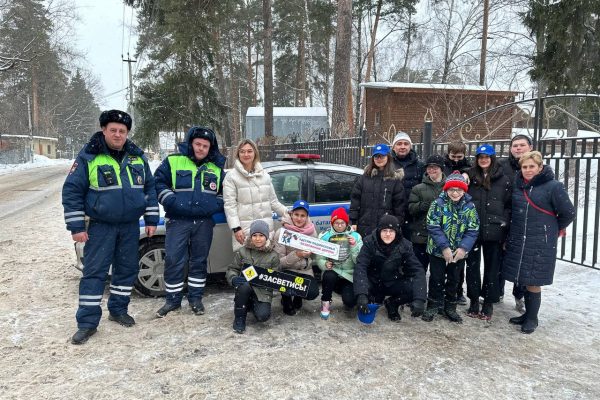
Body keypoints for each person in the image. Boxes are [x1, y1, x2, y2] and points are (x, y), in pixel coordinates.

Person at [62, 110, 159, 345]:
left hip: (129, 226)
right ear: (104, 130)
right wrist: (76, 226)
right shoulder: (89, 157)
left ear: (127, 133)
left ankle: (118, 310)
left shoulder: (137, 158)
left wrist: (152, 219)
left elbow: (150, 188)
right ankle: (87, 323)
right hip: (100, 226)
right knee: (94, 273)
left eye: (122, 131)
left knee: (126, 270)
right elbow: (72, 191)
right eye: (113, 130)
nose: (118, 134)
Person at [153, 126, 226, 318]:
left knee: (199, 261)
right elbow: (158, 183)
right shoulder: (173, 161)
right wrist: (170, 200)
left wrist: (213, 206)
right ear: (191, 144)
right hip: (177, 221)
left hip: (204, 223)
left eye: (205, 145)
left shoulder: (216, 168)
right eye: (198, 144)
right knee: (173, 260)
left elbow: (223, 193)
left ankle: (195, 299)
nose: (201, 148)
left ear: (210, 148)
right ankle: (172, 301)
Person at [502, 151, 575, 334]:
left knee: (534, 279)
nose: (527, 170)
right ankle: (526, 314)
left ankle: (532, 318)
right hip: (520, 237)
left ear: (540, 167)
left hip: (540, 240)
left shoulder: (553, 186)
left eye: (532, 166)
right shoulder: (518, 186)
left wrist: (551, 228)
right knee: (524, 277)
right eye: (524, 167)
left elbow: (568, 212)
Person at [422, 172, 479, 323]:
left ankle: (450, 307)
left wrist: (463, 248)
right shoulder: (437, 204)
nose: (455, 193)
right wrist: (444, 247)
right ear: (446, 190)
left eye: (458, 190)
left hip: (459, 253)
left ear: (464, 191)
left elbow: (473, 229)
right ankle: (433, 305)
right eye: (451, 190)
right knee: (436, 278)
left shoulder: (469, 206)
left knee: (454, 280)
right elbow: (433, 225)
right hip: (437, 251)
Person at [464, 144, 512, 321]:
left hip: (494, 230)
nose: (484, 160)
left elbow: (508, 205)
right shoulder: (470, 176)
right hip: (473, 230)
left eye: (487, 157)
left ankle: (489, 303)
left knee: (492, 269)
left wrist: (503, 223)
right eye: (480, 157)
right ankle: (474, 300)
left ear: (493, 158)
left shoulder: (503, 179)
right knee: (473, 267)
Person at [353, 215, 427, 322]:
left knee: (413, 288)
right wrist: (361, 294)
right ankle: (368, 302)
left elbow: (417, 270)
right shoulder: (369, 242)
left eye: (391, 231)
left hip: (392, 281)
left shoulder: (405, 245)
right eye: (384, 230)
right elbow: (361, 266)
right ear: (379, 231)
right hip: (373, 282)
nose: (388, 234)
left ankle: (392, 304)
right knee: (354, 295)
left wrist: (420, 299)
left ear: (397, 232)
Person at [223, 138, 288, 251]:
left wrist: (289, 214)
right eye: (242, 151)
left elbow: (273, 202)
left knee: (266, 265)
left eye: (249, 151)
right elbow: (230, 205)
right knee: (248, 266)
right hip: (245, 231)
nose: (246, 154)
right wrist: (236, 228)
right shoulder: (231, 177)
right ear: (238, 154)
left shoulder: (265, 176)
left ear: (255, 153)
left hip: (265, 231)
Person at [498, 134, 534, 312]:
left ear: (530, 147)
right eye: (515, 146)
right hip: (504, 215)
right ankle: (497, 292)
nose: (518, 148)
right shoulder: (503, 166)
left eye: (522, 145)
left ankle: (520, 295)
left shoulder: (535, 166)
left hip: (525, 220)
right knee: (499, 257)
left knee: (522, 260)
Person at [226, 220, 280, 334]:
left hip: (262, 291)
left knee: (263, 316)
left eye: (261, 235)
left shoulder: (273, 255)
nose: (258, 238)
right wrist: (233, 278)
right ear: (250, 236)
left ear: (266, 237)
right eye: (254, 235)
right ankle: (240, 317)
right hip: (245, 287)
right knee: (244, 286)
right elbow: (232, 269)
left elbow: (276, 277)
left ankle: (251, 304)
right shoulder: (243, 251)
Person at [314, 207, 363, 319]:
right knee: (329, 275)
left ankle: (344, 292)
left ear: (346, 223)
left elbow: (359, 261)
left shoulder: (356, 236)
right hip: (333, 271)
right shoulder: (324, 236)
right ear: (332, 223)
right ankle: (326, 302)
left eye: (342, 223)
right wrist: (325, 264)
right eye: (336, 223)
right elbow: (319, 258)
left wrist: (354, 246)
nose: (339, 225)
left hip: (349, 274)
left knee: (350, 303)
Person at [273, 200, 320, 315]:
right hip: (288, 271)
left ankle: (298, 296)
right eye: (296, 214)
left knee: (312, 293)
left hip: (306, 271)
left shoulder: (312, 232)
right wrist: (297, 255)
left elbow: (315, 257)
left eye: (303, 215)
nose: (299, 218)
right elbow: (279, 263)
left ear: (307, 216)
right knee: (286, 283)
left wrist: (313, 253)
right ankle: (286, 299)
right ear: (291, 214)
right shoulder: (282, 233)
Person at [350, 143, 405, 239]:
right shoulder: (364, 178)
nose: (379, 159)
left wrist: (396, 225)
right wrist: (353, 221)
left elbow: (399, 207)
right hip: (365, 227)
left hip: (386, 230)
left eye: (382, 156)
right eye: (376, 156)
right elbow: (355, 201)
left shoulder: (394, 180)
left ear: (388, 157)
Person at [408, 154, 446, 271]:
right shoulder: (418, 188)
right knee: (419, 270)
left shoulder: (450, 187)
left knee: (438, 274)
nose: (432, 170)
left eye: (435, 167)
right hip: (422, 236)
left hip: (443, 237)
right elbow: (411, 209)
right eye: (429, 167)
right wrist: (421, 206)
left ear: (441, 169)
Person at [390, 131, 426, 239]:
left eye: (406, 144)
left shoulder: (420, 165)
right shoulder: (387, 164)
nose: (402, 147)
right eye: (399, 143)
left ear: (410, 146)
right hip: (392, 213)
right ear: (393, 147)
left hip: (413, 216)